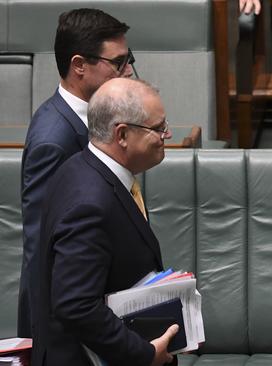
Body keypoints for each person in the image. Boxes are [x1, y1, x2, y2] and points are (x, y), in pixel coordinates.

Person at [31, 78, 176, 366]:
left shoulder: (79, 167)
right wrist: (143, 354)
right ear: (122, 134)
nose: (167, 134)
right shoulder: (90, 203)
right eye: (158, 128)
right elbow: (76, 305)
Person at [19, 8, 135, 337]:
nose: (128, 72)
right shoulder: (53, 141)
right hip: (66, 330)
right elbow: (43, 250)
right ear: (79, 66)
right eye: (118, 62)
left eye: (129, 59)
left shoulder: (94, 120)